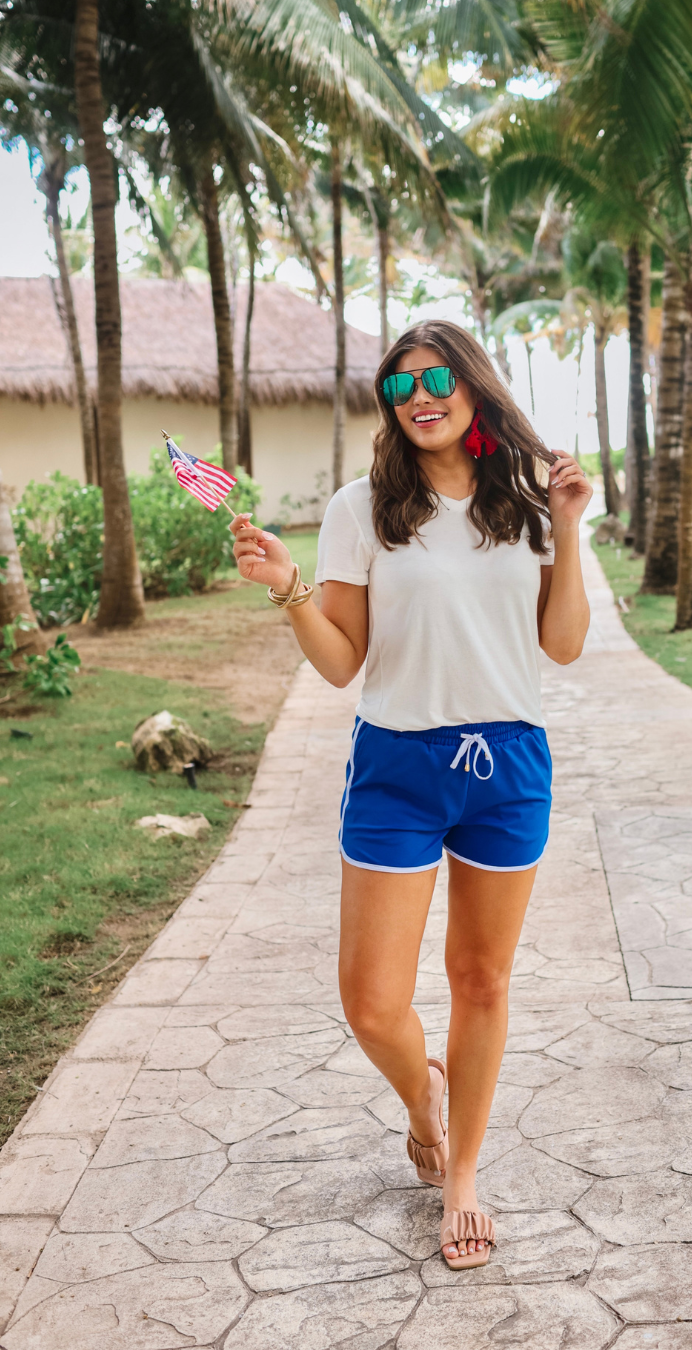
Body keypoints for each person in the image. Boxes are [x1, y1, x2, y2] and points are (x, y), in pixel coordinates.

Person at [231, 319, 591, 1269]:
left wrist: (569, 524)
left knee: (481, 979)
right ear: (390, 404)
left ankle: (461, 1168)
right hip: (395, 762)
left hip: (508, 764)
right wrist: (288, 587)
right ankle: (421, 1097)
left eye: (437, 378)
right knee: (372, 1000)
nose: (420, 396)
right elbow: (344, 663)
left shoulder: (523, 497)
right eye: (400, 386)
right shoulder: (364, 506)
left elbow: (562, 644)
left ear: (473, 386)